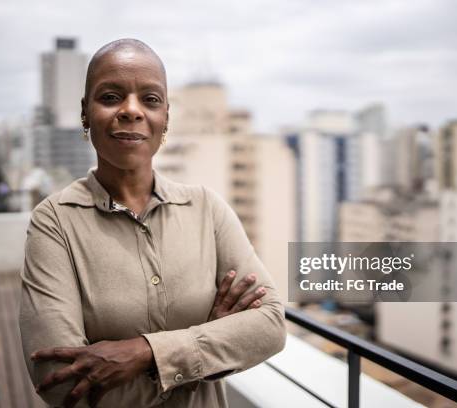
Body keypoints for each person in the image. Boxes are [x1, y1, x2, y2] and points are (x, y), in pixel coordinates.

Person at [18, 39, 286, 408]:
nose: (132, 110)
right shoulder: (54, 222)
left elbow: (270, 325)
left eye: (150, 99)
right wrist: (206, 346)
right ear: (85, 113)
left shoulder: (207, 209)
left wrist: (144, 354)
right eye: (111, 97)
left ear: (166, 117)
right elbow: (61, 384)